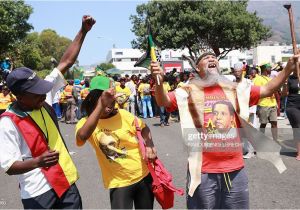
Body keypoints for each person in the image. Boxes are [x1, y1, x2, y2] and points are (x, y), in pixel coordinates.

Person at [150, 51, 293, 209]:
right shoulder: (187, 91)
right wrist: (158, 81)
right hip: (202, 171)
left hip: (235, 169)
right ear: (197, 68)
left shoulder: (234, 89)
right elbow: (162, 101)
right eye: (205, 58)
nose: (211, 58)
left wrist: (287, 70)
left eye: (214, 57)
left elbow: (266, 89)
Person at [0, 15, 95, 209]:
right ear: (19, 95)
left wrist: (83, 31)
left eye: (43, 90)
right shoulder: (8, 122)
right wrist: (37, 162)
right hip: (37, 193)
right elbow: (9, 166)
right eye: (36, 93)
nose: (43, 96)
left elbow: (66, 61)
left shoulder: (44, 96)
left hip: (66, 183)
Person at [75, 76, 156, 209]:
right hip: (119, 183)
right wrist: (101, 105)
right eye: (106, 98)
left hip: (143, 175)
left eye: (112, 99)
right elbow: (82, 137)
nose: (111, 104)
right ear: (93, 98)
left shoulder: (124, 114)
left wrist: (150, 145)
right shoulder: (85, 123)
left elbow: (144, 128)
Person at [253, 64, 278, 141]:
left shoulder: (270, 78)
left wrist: (276, 103)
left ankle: (275, 141)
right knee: (263, 124)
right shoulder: (258, 79)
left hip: (273, 104)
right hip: (263, 105)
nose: (271, 69)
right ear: (265, 69)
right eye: (270, 67)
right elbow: (257, 92)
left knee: (274, 123)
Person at [285, 68, 300, 160]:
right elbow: (284, 94)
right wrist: (284, 83)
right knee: (298, 128)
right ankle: (299, 152)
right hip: (293, 106)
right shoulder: (290, 78)